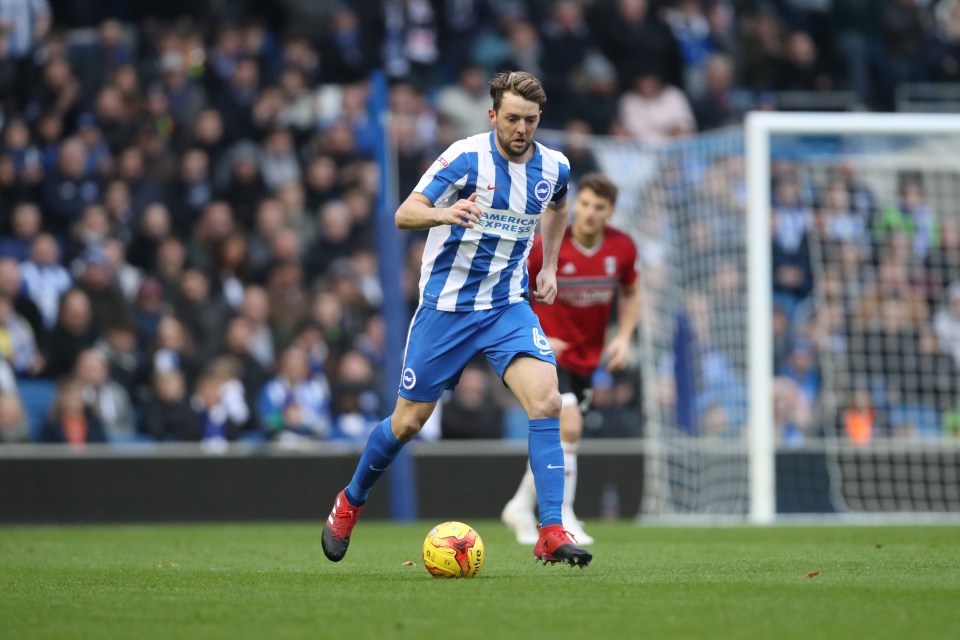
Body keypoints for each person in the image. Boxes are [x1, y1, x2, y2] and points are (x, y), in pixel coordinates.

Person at [320, 71, 591, 568]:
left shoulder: (554, 166)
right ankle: (350, 501)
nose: (521, 129)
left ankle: (550, 529)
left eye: (530, 120)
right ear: (493, 116)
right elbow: (405, 212)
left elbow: (558, 205)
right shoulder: (465, 158)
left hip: (506, 305)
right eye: (511, 119)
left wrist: (549, 265)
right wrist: (443, 215)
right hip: (446, 309)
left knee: (548, 400)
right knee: (408, 422)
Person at [500, 173, 641, 545]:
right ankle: (563, 514)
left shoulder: (622, 249)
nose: (591, 213)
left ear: (610, 211)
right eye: (585, 204)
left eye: (600, 207)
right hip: (542, 349)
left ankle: (518, 505)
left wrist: (624, 337)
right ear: (575, 204)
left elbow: (631, 292)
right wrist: (537, 333)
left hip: (585, 359)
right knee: (571, 425)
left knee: (563, 435)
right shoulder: (548, 245)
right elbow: (509, 288)